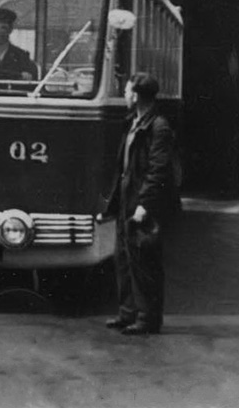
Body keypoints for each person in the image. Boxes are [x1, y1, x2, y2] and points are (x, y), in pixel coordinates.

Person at [99, 72, 175, 336]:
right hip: (125, 200)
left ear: (137, 95)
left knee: (144, 262)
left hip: (141, 204)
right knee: (123, 258)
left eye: (127, 91)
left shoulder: (158, 127)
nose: (124, 95)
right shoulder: (133, 122)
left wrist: (145, 204)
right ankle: (127, 312)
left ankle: (148, 319)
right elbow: (124, 166)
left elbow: (159, 170)